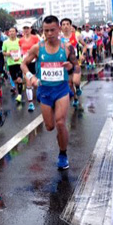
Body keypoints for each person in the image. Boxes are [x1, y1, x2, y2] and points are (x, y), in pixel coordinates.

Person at [21, 16, 80, 170]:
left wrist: (71, 69)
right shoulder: (37, 48)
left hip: (61, 89)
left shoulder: (67, 47)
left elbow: (77, 66)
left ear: (59, 29)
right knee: (49, 126)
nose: (49, 33)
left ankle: (62, 154)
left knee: (61, 122)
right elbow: (23, 64)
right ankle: (60, 136)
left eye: (52, 30)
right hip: (45, 90)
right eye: (46, 30)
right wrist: (31, 77)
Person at [2, 26, 28, 108]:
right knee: (15, 80)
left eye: (13, 31)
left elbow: (23, 50)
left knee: (19, 79)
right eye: (10, 31)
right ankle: (22, 83)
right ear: (8, 33)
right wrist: (8, 54)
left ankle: (19, 95)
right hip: (10, 63)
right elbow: (3, 52)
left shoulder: (20, 41)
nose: (12, 33)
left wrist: (20, 55)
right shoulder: (5, 42)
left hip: (19, 62)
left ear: (16, 32)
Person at [60, 18, 83, 107]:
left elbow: (84, 45)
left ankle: (78, 87)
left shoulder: (77, 36)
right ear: (61, 27)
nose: (65, 26)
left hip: (76, 62)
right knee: (69, 84)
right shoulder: (59, 38)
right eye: (63, 24)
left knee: (76, 81)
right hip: (65, 63)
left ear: (70, 26)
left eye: (67, 24)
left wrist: (82, 54)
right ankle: (75, 99)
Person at [18, 25, 40, 111]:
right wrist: (20, 57)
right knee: (28, 82)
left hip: (34, 62)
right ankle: (30, 103)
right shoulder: (20, 40)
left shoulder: (35, 38)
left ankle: (42, 97)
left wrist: (33, 54)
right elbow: (20, 50)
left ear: (30, 29)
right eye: (24, 28)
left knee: (35, 83)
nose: (26, 30)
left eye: (27, 28)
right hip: (25, 63)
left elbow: (39, 49)